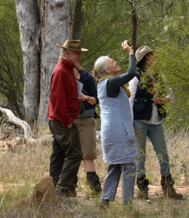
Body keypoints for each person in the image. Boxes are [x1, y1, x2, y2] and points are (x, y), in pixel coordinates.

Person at [130, 46, 183, 199]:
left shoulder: (159, 76)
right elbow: (129, 101)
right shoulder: (135, 77)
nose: (154, 57)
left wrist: (164, 99)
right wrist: (130, 124)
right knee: (140, 155)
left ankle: (168, 189)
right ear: (145, 59)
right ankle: (142, 190)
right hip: (139, 122)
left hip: (156, 122)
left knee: (163, 155)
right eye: (151, 55)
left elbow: (171, 95)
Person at [94, 40, 138, 206]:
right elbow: (131, 73)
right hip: (117, 132)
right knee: (129, 165)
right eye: (113, 62)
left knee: (115, 166)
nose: (116, 62)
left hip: (114, 131)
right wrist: (130, 54)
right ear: (107, 70)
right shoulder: (109, 83)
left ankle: (105, 201)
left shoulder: (107, 84)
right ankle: (127, 203)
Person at [47, 39, 87, 198]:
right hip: (61, 120)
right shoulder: (61, 71)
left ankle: (54, 189)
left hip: (59, 119)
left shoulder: (67, 69)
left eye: (79, 53)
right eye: (76, 53)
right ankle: (63, 190)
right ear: (66, 53)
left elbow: (62, 96)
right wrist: (67, 121)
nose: (79, 56)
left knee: (59, 154)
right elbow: (56, 100)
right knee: (75, 154)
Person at [73, 66, 102, 194]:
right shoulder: (62, 76)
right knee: (71, 156)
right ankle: (69, 187)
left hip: (87, 120)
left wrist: (85, 98)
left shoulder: (87, 77)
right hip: (70, 120)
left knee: (88, 155)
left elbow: (95, 100)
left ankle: (95, 188)